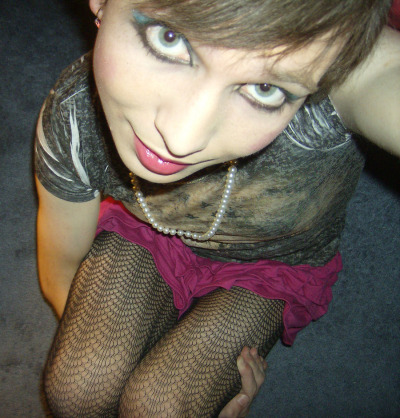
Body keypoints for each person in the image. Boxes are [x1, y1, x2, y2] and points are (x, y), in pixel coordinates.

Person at [35, 0, 399, 416]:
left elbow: (383, 74)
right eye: (169, 38)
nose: (181, 139)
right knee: (76, 393)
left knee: (161, 409)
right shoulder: (75, 117)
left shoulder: (326, 71)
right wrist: (104, 341)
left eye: (266, 89)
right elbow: (62, 266)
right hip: (150, 233)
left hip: (270, 264)